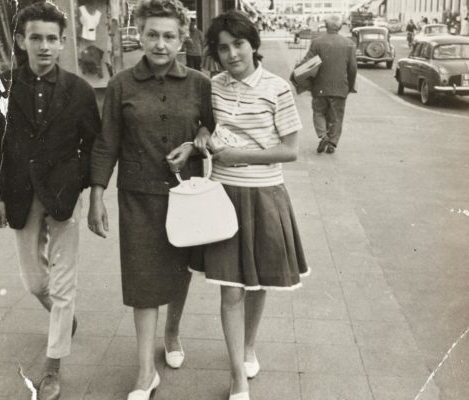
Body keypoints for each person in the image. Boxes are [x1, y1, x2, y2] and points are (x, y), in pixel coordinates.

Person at [87, 1, 214, 399]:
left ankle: (172, 332)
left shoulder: (199, 82)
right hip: (137, 197)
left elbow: (211, 129)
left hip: (185, 195)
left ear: (182, 39)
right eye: (152, 35)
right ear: (139, 35)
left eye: (169, 36)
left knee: (179, 272)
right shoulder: (122, 84)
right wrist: (96, 196)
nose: (160, 44)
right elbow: (107, 142)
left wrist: (196, 144)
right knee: (142, 279)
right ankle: (145, 372)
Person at [0, 3, 100, 399]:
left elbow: (93, 145)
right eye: (36, 38)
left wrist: (80, 181)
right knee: (36, 282)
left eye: (52, 39)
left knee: (64, 283)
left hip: (64, 197)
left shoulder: (80, 91)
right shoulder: (3, 86)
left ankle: (53, 367)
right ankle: (62, 319)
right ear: (21, 41)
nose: (45, 46)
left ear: (63, 43)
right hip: (19, 193)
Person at [192, 10, 309, 400]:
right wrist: (205, 134)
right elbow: (205, 123)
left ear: (253, 45)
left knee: (257, 283)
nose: (232, 54)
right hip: (223, 194)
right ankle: (237, 378)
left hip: (263, 194)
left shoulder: (277, 88)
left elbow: (291, 150)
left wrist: (238, 156)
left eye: (238, 44)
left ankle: (248, 347)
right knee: (230, 290)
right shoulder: (213, 86)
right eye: (223, 48)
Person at [300, 14, 356, 154]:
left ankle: (323, 136)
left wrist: (302, 79)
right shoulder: (349, 44)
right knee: (336, 116)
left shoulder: (317, 42)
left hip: (320, 87)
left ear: (326, 25)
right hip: (340, 87)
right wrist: (350, 86)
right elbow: (353, 68)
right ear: (340, 26)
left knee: (319, 112)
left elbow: (308, 64)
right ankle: (332, 142)